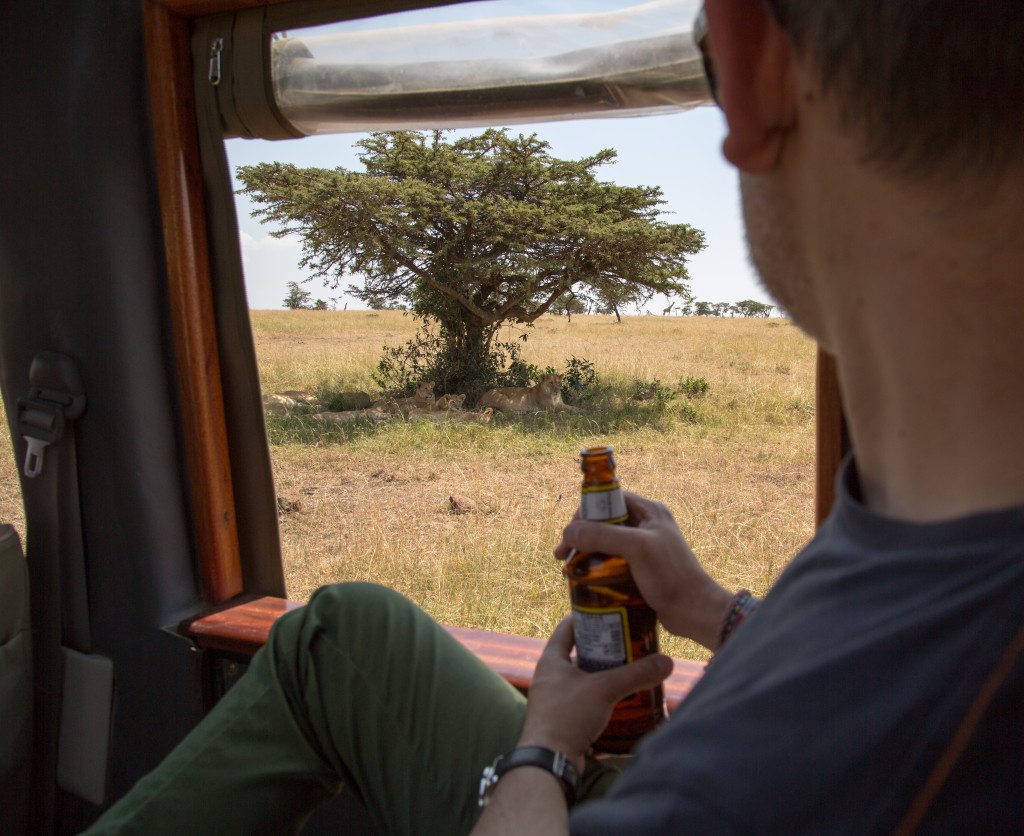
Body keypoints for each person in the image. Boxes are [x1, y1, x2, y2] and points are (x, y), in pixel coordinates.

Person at [90, 0, 1024, 832]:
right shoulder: (931, 528)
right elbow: (862, 672)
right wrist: (712, 609)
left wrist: (544, 749)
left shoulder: (732, 786)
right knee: (346, 632)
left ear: (749, 62)